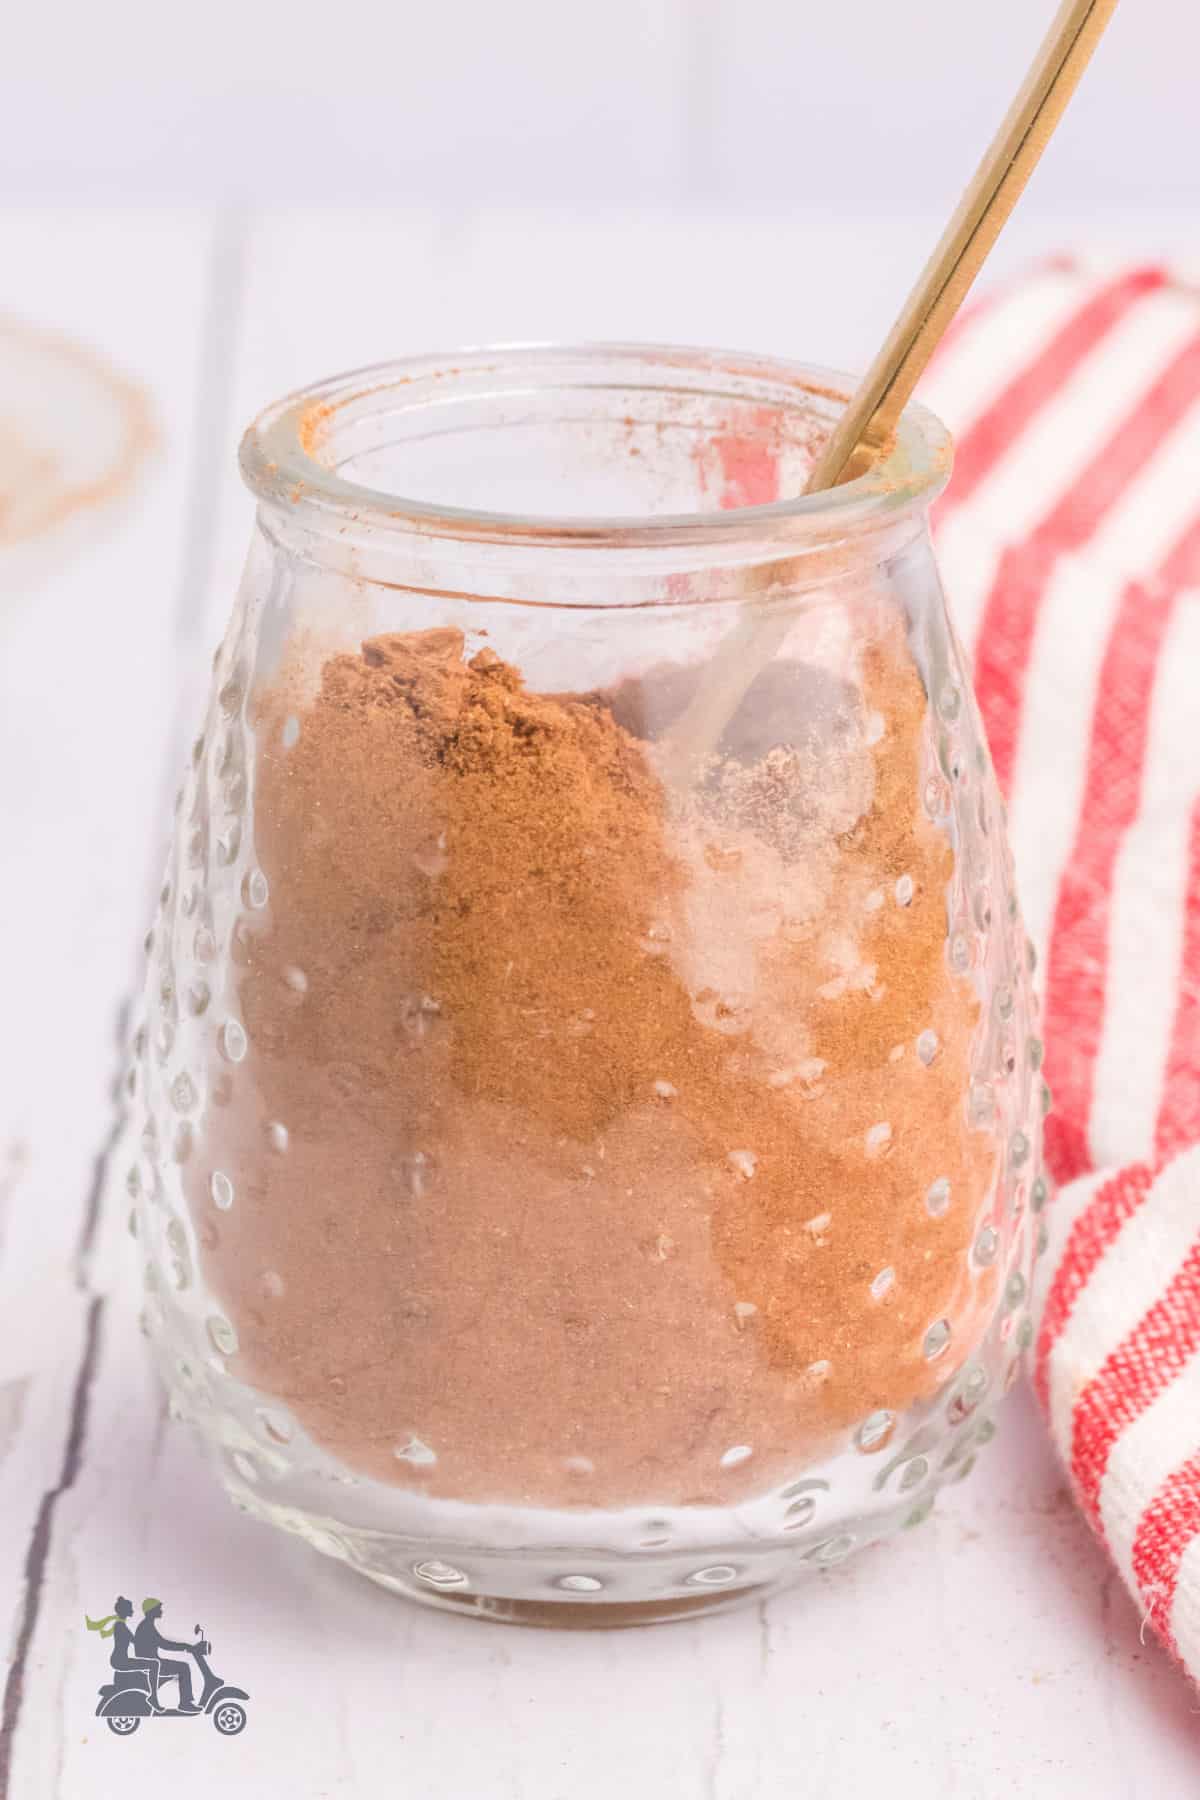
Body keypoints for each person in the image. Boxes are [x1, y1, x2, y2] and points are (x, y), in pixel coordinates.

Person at [85, 1596, 164, 1712]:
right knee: (154, 1664)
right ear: (125, 1611)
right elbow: (136, 1642)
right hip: (120, 1661)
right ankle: (153, 1698)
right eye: (130, 1609)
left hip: (119, 1659)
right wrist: (153, 1640)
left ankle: (151, 1695)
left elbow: (135, 1641)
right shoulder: (120, 1626)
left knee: (153, 1664)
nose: (132, 1611)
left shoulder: (121, 1625)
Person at [133, 1598, 199, 1713]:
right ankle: (185, 1703)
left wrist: (186, 1647)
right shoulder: (147, 1627)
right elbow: (164, 1644)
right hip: (152, 1663)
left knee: (182, 1666)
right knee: (183, 1668)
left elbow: (162, 1643)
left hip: (152, 1661)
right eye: (158, 1608)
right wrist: (186, 1647)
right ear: (151, 1610)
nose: (161, 1611)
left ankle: (185, 1702)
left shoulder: (147, 1625)